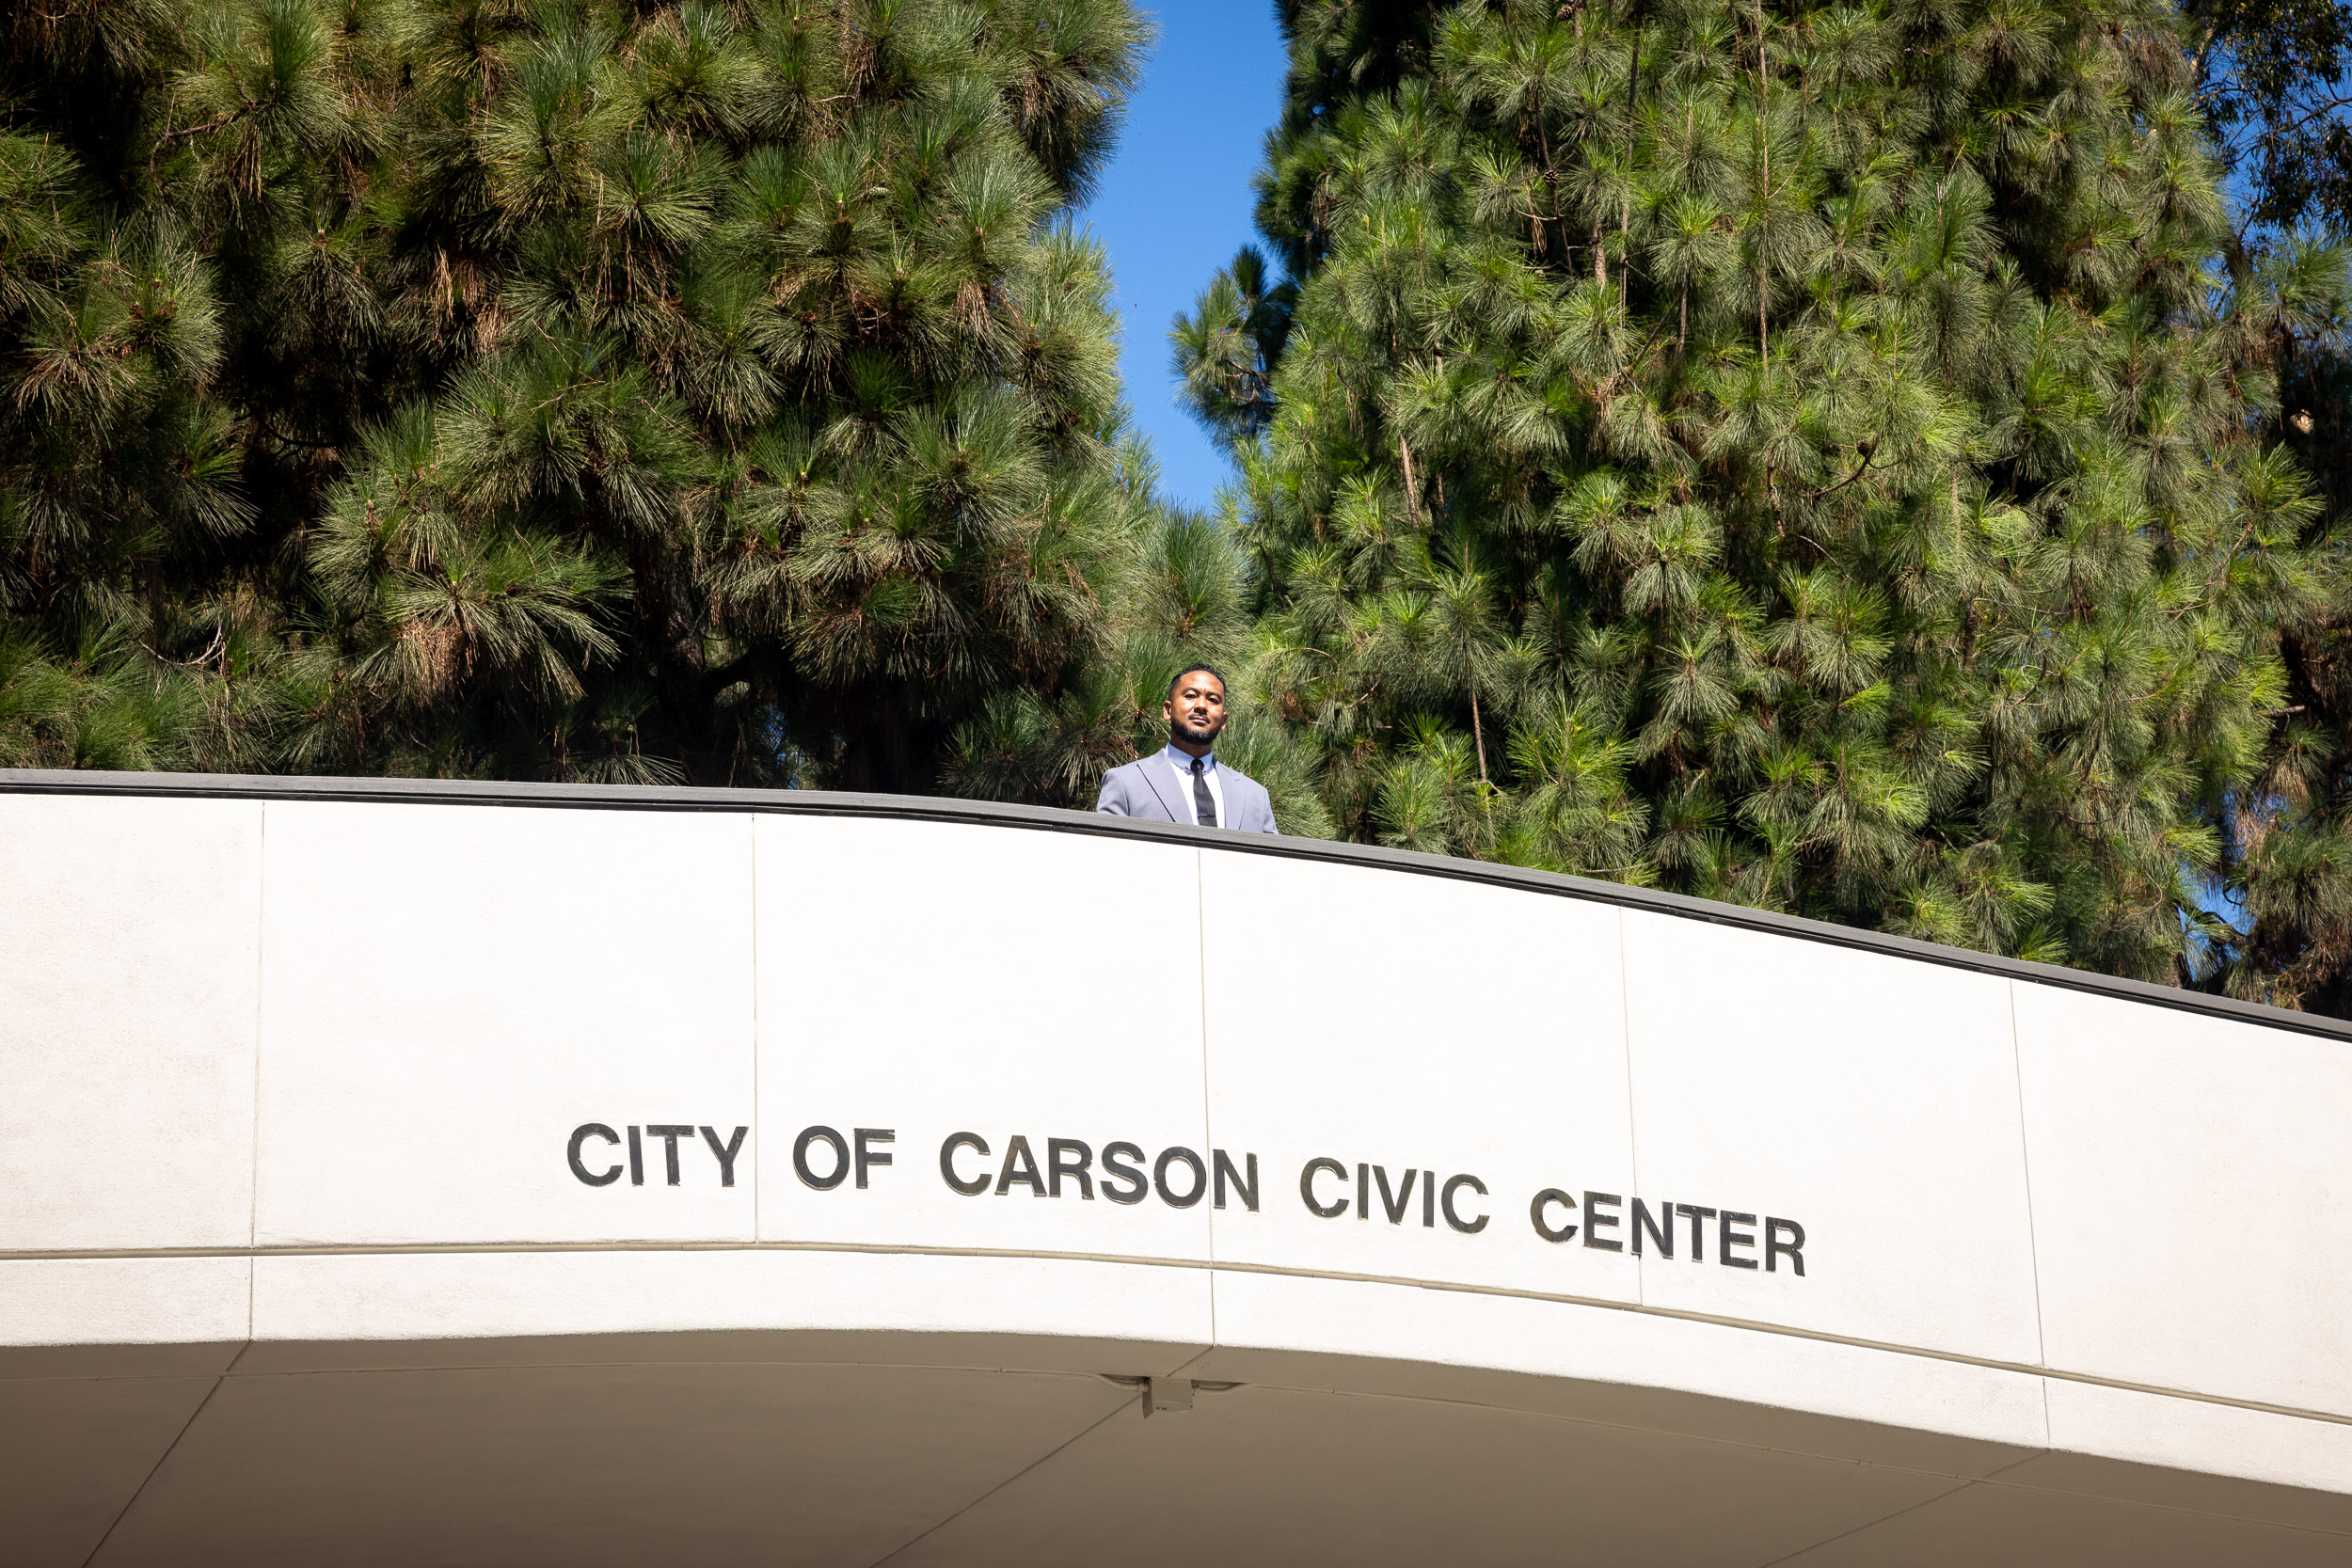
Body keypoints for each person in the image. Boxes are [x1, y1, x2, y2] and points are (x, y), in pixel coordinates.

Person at [1095, 665, 1278, 832]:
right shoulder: (1126, 783)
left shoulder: (1255, 796)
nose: (1201, 706)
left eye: (1213, 699)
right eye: (1190, 696)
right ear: (1168, 710)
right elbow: (1108, 857)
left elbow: (1274, 864)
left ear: (1223, 721)